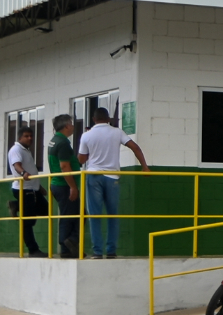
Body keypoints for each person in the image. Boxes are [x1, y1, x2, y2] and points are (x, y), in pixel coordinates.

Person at [77, 107, 150, 258]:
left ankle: (97, 252)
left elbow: (81, 159)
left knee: (95, 215)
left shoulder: (86, 135)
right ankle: (111, 251)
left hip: (93, 176)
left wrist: (92, 148)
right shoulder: (117, 132)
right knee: (113, 215)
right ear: (108, 119)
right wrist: (144, 166)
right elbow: (135, 147)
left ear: (93, 119)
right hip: (113, 177)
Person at [8, 126, 48, 257]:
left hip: (33, 189)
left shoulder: (26, 151)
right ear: (20, 137)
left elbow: (31, 168)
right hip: (23, 189)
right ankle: (33, 250)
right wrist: (23, 172)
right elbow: (16, 165)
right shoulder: (16, 149)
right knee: (27, 221)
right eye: (26, 136)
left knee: (46, 211)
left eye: (31, 136)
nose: (29, 138)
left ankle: (16, 205)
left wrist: (40, 187)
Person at [47, 114, 81, 258]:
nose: (73, 126)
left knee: (71, 215)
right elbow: (64, 166)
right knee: (73, 216)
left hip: (57, 183)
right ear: (66, 125)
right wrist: (73, 187)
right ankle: (67, 244)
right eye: (71, 123)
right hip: (64, 185)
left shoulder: (54, 141)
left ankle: (69, 246)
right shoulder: (63, 143)